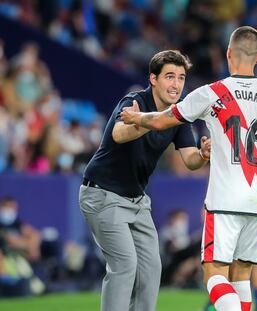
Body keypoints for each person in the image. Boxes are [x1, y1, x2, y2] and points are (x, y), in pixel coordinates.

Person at [121, 26, 257, 311]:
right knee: (242, 276)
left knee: (215, 273)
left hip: (227, 198)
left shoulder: (210, 93)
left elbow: (163, 120)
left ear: (229, 54)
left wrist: (136, 117)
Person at [79, 50, 211, 311]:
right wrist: (140, 122)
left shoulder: (177, 114)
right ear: (153, 78)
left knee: (151, 268)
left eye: (181, 78)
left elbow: (190, 160)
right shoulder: (134, 101)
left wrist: (203, 155)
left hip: (137, 200)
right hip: (103, 195)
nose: (176, 84)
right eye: (169, 76)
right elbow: (118, 134)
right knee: (124, 265)